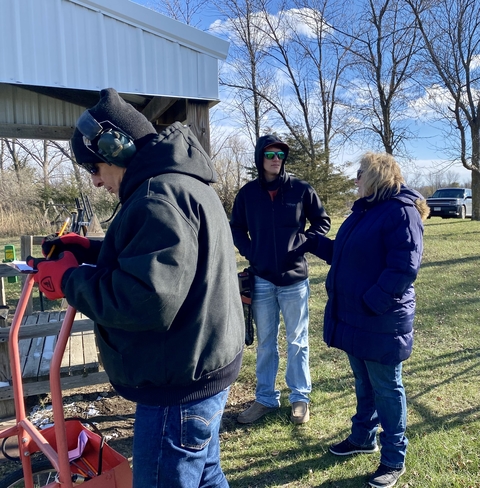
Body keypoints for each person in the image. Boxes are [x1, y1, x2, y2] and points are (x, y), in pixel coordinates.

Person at [27, 88, 245, 488]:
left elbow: (145, 298)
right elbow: (161, 260)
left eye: (94, 167)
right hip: (202, 369)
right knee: (207, 476)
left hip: (177, 386)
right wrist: (91, 251)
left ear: (118, 148)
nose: (95, 182)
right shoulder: (181, 182)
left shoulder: (156, 197)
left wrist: (69, 280)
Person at [309, 152, 429, 488]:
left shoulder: (401, 212)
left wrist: (372, 303)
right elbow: (344, 256)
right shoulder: (364, 212)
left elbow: (404, 267)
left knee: (387, 389)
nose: (355, 179)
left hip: (380, 320)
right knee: (364, 383)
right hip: (355, 318)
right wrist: (313, 242)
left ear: (375, 176)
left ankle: (393, 458)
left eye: (360, 173)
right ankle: (362, 437)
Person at [230, 134, 331, 425]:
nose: (276, 160)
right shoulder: (248, 194)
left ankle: (300, 398)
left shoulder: (300, 189)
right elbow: (236, 227)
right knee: (265, 343)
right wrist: (251, 252)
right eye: (271, 155)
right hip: (262, 279)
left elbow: (321, 221)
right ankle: (265, 398)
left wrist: (304, 243)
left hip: (294, 279)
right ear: (260, 158)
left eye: (281, 155)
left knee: (298, 341)